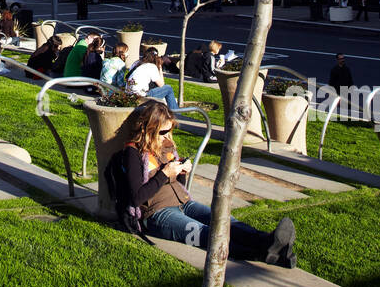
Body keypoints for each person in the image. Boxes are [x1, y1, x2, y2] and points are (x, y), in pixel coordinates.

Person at [109, 100, 297, 265]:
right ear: (149, 129)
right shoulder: (133, 153)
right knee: (206, 233)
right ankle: (266, 252)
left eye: (170, 130)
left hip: (184, 203)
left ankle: (269, 241)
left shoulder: (166, 146)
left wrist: (182, 171)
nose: (168, 136)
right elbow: (136, 198)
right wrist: (165, 173)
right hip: (157, 213)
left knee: (224, 221)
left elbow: (178, 185)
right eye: (164, 131)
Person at [126, 47, 180, 113]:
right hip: (141, 96)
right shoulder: (151, 66)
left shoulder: (136, 63)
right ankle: (177, 114)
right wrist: (159, 66)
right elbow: (161, 84)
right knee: (168, 88)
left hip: (128, 93)